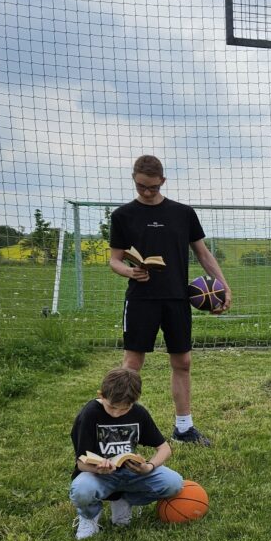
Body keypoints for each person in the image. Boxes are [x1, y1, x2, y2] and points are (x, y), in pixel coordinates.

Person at [109, 155, 232, 446]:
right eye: (141, 187)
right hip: (141, 299)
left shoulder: (183, 213)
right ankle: (118, 424)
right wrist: (130, 270)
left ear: (163, 181)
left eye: (152, 187)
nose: (147, 192)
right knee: (132, 363)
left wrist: (224, 286)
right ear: (134, 179)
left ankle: (184, 428)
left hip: (177, 299)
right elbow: (114, 259)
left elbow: (202, 253)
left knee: (183, 361)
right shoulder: (122, 215)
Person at [69, 367, 184, 540]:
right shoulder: (90, 413)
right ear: (101, 395)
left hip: (131, 473)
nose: (116, 413)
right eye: (112, 407)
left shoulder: (138, 413)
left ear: (134, 401)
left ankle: (124, 500)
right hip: (98, 475)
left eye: (124, 409)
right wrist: (99, 469)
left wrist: (149, 467)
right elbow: (81, 463)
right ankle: (89, 516)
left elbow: (164, 448)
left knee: (174, 482)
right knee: (81, 490)